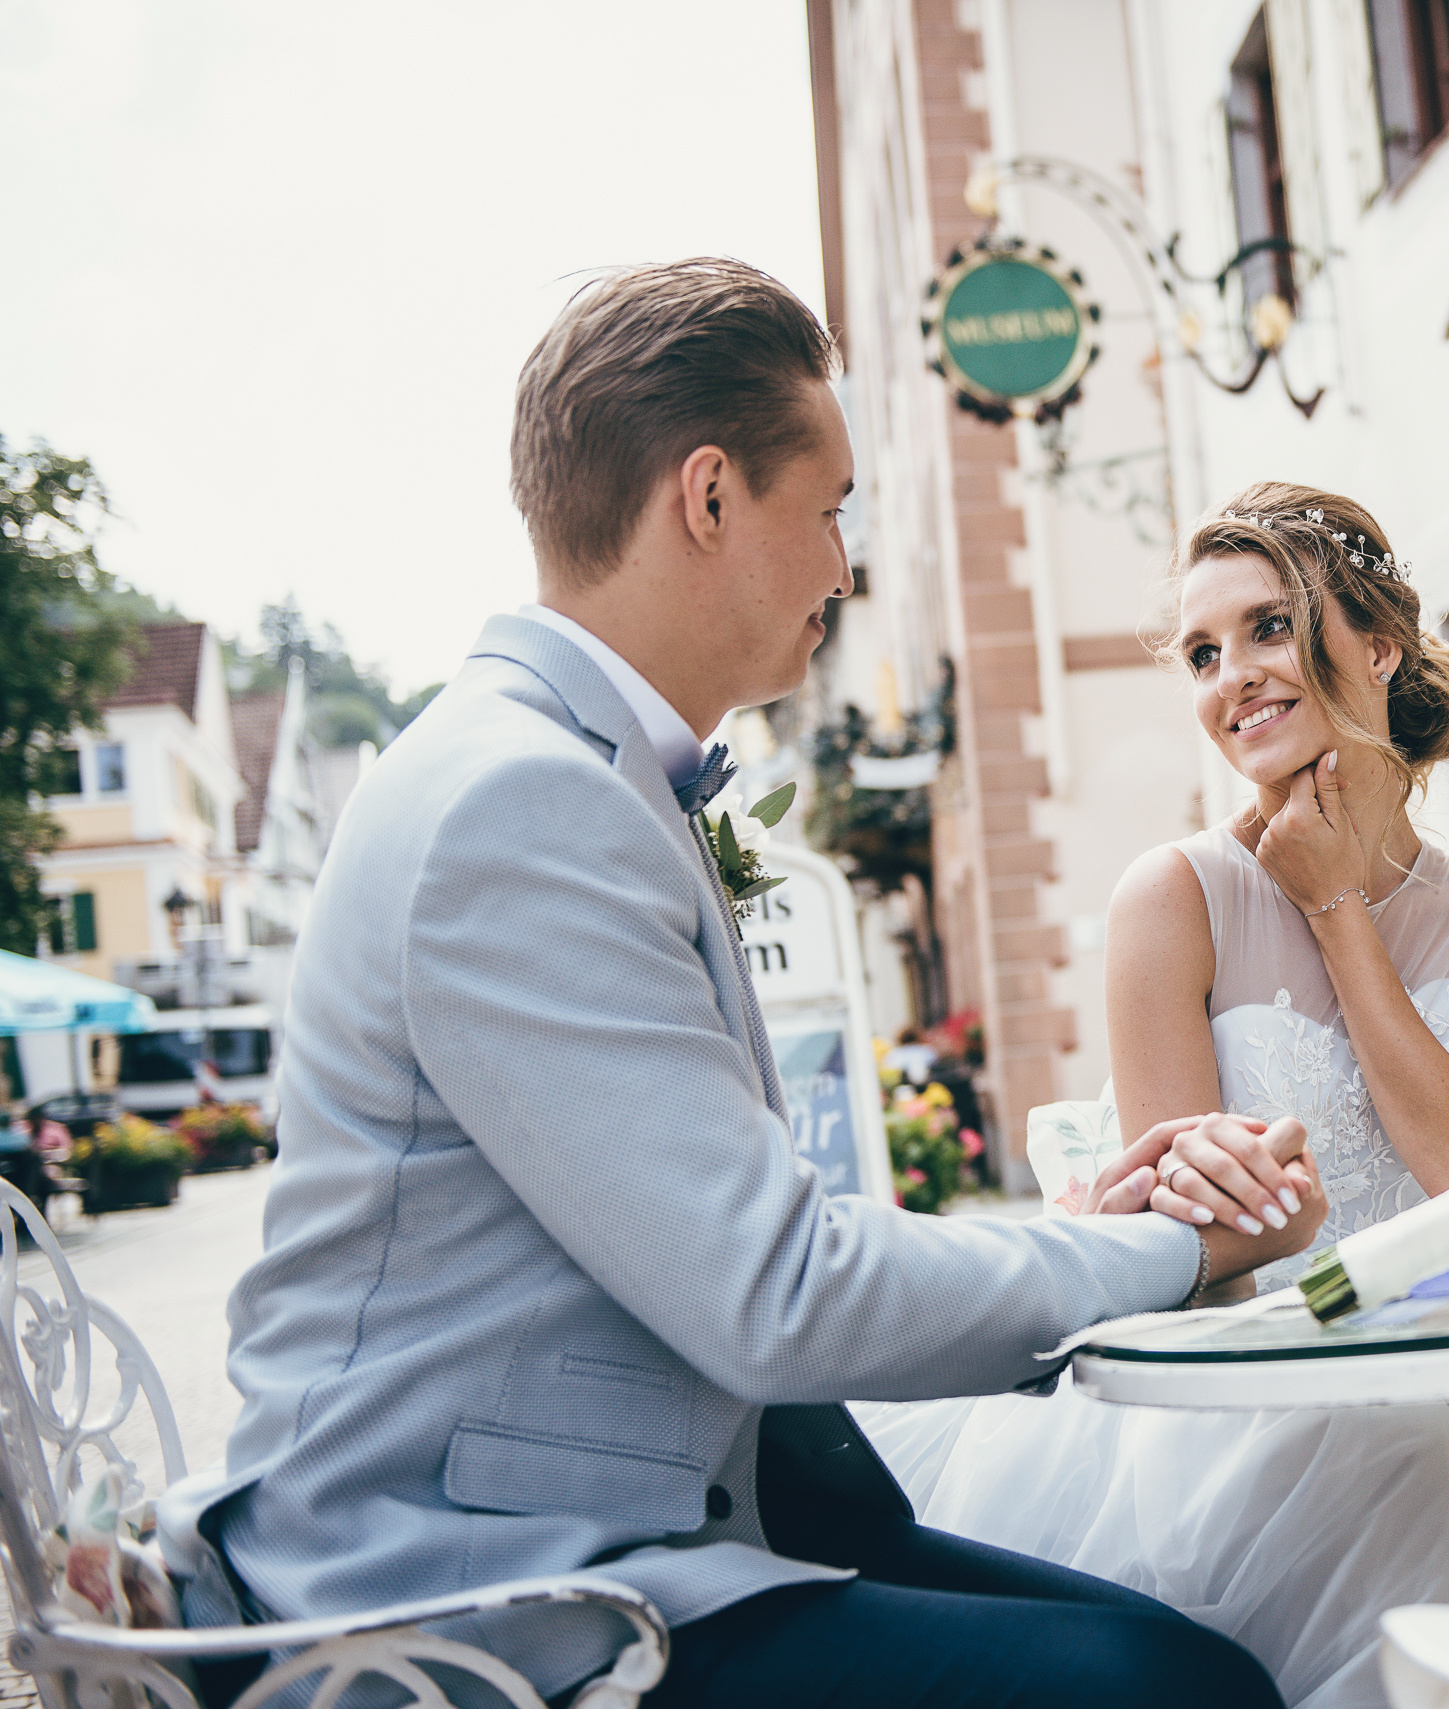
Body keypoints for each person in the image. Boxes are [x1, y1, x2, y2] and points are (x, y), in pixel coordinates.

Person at [157, 260, 1325, 1709]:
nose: (845, 566)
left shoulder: (548, 768)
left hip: (656, 1510)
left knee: (1198, 1656)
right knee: (1171, 1692)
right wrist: (1170, 1250)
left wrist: (1083, 1232)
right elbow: (774, 1290)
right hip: (469, 1588)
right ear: (708, 497)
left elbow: (720, 1233)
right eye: (831, 509)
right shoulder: (520, 801)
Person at [855, 485, 1449, 1707]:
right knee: (1409, 1488)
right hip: (1241, 1392)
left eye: (1267, 626)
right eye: (1202, 653)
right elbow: (1196, 1261)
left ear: (1378, 645)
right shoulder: (1172, 896)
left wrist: (1335, 906)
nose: (1231, 675)